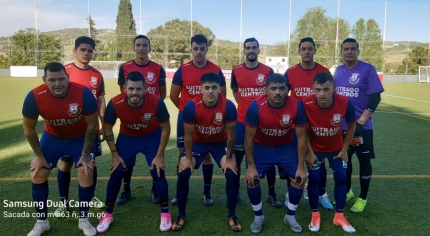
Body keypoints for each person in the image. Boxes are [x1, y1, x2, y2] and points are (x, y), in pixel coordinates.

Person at [23, 62, 98, 236]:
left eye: (62, 79)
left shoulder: (83, 93)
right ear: (44, 80)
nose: (58, 84)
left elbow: (92, 126)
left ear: (68, 78)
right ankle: (42, 222)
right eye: (52, 80)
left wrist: (86, 154)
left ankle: (84, 220)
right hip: (53, 137)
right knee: (38, 172)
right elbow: (29, 130)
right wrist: (39, 156)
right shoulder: (34, 96)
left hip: (79, 137)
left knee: (85, 171)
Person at [96, 71, 171, 233]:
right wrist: (114, 154)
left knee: (158, 171)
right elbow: (107, 129)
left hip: (151, 136)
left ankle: (165, 212)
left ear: (145, 89)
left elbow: (166, 129)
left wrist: (159, 156)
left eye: (138, 89)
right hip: (128, 137)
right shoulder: (115, 103)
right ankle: (108, 214)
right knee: (116, 171)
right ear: (124, 89)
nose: (134, 92)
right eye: (131, 89)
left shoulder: (156, 102)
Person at [171, 72, 240, 232]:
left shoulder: (228, 106)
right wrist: (188, 158)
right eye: (207, 87)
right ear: (201, 89)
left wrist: (229, 159)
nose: (210, 91)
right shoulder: (190, 106)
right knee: (183, 172)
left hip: (219, 143)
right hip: (198, 144)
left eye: (214, 88)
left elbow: (231, 135)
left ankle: (232, 215)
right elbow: (188, 135)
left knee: (231, 172)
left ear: (219, 90)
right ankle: (181, 215)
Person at [244, 73, 307, 234]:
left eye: (281, 88)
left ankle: (290, 216)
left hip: (285, 146)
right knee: (252, 179)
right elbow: (248, 139)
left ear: (287, 90)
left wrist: (301, 166)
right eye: (273, 88)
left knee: (299, 179)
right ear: (266, 90)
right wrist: (251, 166)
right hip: (261, 146)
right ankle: (258, 216)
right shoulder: (256, 106)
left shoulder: (297, 105)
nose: (277, 92)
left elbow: (301, 138)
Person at [170, 34, 227, 205]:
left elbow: (222, 95)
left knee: (207, 154)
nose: (199, 52)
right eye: (196, 48)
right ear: (191, 50)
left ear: (206, 49)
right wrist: (187, 111)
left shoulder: (215, 69)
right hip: (187, 118)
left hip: (209, 118)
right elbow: (174, 96)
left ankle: (207, 193)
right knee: (182, 154)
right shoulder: (183, 69)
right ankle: (180, 193)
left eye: (202, 48)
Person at [54, 36, 105, 218]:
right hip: (68, 131)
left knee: (90, 164)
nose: (86, 53)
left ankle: (89, 198)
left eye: (90, 50)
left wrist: (104, 125)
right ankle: (63, 203)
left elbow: (100, 101)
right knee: (65, 164)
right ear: (74, 51)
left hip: (90, 131)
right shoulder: (64, 72)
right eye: (83, 50)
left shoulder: (97, 75)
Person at [334, 38, 384, 212]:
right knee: (344, 161)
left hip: (363, 127)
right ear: (341, 52)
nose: (349, 52)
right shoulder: (338, 71)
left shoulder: (368, 69)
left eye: (352, 49)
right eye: (346, 49)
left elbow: (376, 97)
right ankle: (348, 191)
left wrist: (361, 120)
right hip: (342, 128)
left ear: (357, 51)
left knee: (364, 161)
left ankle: (363, 197)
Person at [302, 72, 356, 233]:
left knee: (341, 180)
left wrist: (345, 149)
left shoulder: (345, 103)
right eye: (318, 89)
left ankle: (339, 216)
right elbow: (303, 131)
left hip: (337, 150)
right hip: (315, 150)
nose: (322, 94)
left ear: (333, 88)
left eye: (326, 89)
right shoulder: (305, 104)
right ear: (313, 89)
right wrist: (309, 152)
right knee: (314, 181)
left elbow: (352, 126)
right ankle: (315, 215)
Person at [116, 35, 167, 205]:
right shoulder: (125, 68)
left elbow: (162, 94)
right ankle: (126, 189)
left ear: (149, 48)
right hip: (129, 125)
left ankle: (155, 188)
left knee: (155, 160)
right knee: (126, 162)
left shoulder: (158, 68)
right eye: (138, 45)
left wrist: (151, 112)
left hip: (151, 124)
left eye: (145, 45)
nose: (141, 48)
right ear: (134, 48)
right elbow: (124, 94)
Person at [230, 37, 280, 206]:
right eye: (248, 48)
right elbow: (236, 92)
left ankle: (271, 193)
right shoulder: (236, 70)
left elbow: (272, 93)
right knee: (237, 157)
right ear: (244, 51)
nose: (251, 50)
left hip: (264, 123)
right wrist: (246, 106)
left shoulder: (268, 71)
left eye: (254, 48)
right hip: (242, 122)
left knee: (268, 157)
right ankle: (235, 192)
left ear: (259, 51)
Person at [283, 37, 332, 209]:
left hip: (318, 125)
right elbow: (283, 96)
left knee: (319, 161)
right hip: (296, 125)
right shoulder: (290, 72)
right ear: (299, 51)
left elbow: (330, 97)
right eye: (303, 49)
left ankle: (321, 193)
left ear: (314, 51)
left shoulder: (324, 71)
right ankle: (291, 191)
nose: (307, 52)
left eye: (310, 49)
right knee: (295, 159)